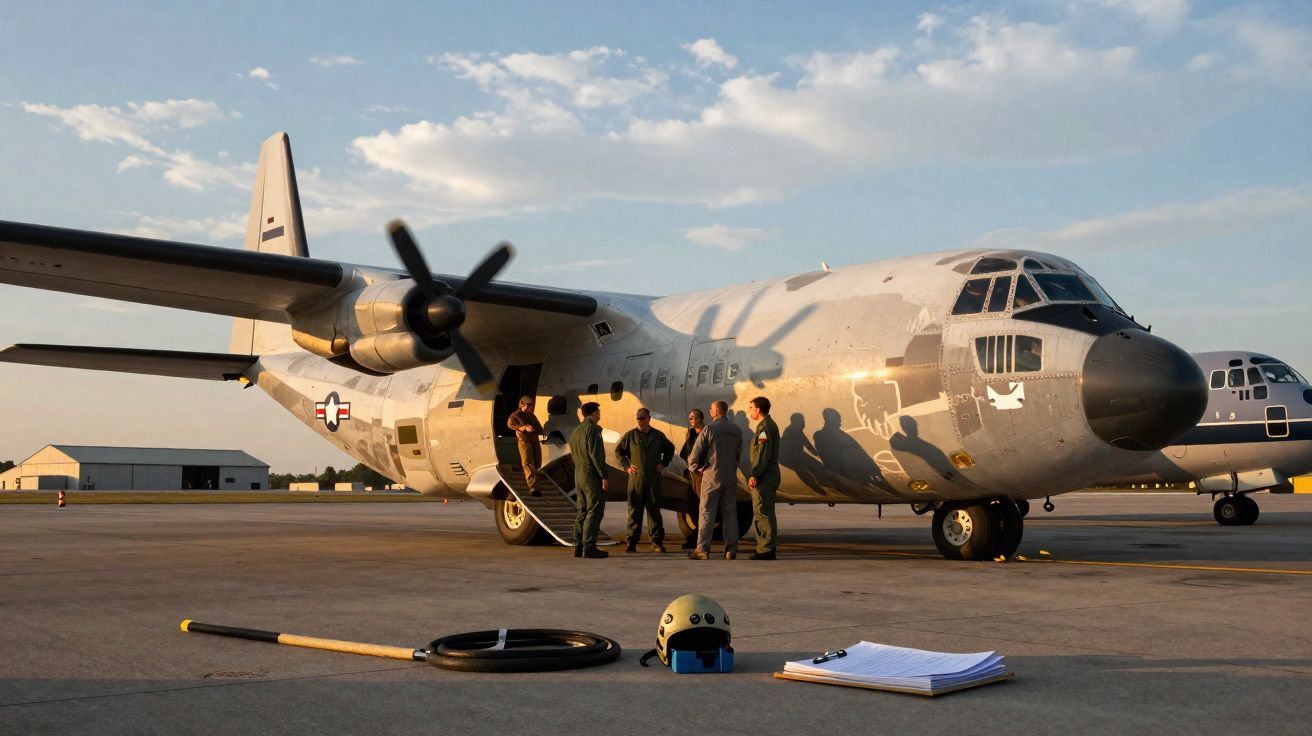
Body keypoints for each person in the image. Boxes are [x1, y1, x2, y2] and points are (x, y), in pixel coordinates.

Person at [686, 400, 743, 560]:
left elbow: (693, 458)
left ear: (717, 411)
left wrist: (698, 469)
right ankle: (731, 550)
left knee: (707, 514)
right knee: (730, 514)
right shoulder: (737, 430)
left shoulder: (709, 429)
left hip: (712, 477)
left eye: (711, 409)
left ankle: (702, 549)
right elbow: (737, 456)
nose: (709, 411)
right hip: (730, 477)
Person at [616, 408, 675, 553]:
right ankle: (631, 542)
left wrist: (664, 463)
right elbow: (619, 452)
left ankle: (656, 542)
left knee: (654, 509)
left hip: (653, 477)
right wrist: (627, 467)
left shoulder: (657, 435)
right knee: (635, 511)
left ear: (649, 418)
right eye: (638, 419)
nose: (640, 421)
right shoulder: (630, 435)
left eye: (642, 418)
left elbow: (669, 448)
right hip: (636, 478)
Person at [569, 402, 609, 558]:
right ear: (592, 414)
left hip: (578, 474)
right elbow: (596, 456)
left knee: (582, 511)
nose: (599, 415)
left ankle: (578, 546)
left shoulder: (575, 431)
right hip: (590, 474)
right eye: (598, 412)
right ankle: (590, 546)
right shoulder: (592, 430)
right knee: (594, 509)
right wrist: (604, 476)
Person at [746, 396, 781, 560]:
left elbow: (762, 453)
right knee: (766, 511)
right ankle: (766, 547)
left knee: (762, 512)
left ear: (758, 409)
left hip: (764, 476)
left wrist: (755, 474)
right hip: (768, 474)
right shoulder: (767, 426)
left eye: (751, 407)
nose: (750, 411)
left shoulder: (764, 428)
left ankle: (765, 549)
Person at [678, 408, 706, 549]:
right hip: (692, 475)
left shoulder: (707, 433)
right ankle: (696, 535)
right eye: (690, 418)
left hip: (702, 475)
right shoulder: (690, 434)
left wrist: (703, 467)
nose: (691, 420)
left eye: (693, 418)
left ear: (701, 419)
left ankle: (697, 538)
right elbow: (685, 453)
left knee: (703, 507)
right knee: (692, 506)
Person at [507, 395, 544, 497]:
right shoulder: (515, 416)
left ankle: (535, 482)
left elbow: (538, 426)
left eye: (530, 406)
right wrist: (524, 428)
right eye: (527, 406)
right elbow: (510, 424)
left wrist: (541, 431)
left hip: (534, 439)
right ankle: (533, 487)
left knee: (537, 461)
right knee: (527, 462)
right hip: (524, 440)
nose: (529, 408)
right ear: (521, 405)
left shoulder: (532, 416)